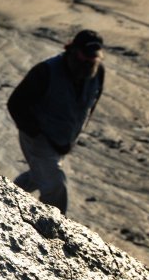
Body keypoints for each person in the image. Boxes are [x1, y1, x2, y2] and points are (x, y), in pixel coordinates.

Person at [7, 29, 106, 215]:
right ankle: (53, 227)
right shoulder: (45, 71)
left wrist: (78, 131)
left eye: (94, 58)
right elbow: (16, 103)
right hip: (39, 138)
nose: (89, 62)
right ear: (73, 50)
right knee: (55, 184)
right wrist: (34, 132)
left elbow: (92, 102)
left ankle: (5, 196)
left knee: (39, 175)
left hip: (65, 139)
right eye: (85, 56)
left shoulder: (97, 71)